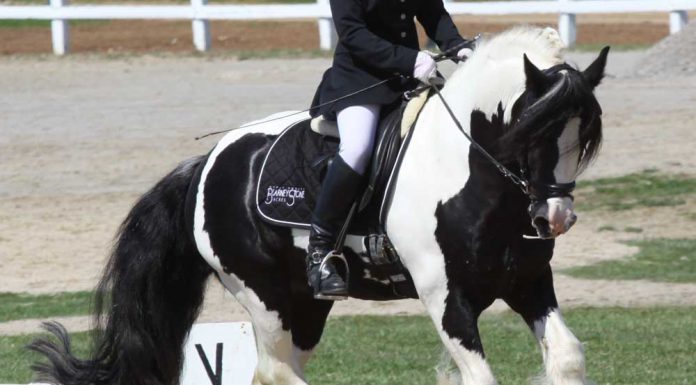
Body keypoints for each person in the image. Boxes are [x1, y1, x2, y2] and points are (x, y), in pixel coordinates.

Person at [307, 0, 472, 300]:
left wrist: (458, 45)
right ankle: (320, 250)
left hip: (409, 78)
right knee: (357, 149)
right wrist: (410, 59)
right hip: (361, 81)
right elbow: (352, 33)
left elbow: (432, 12)